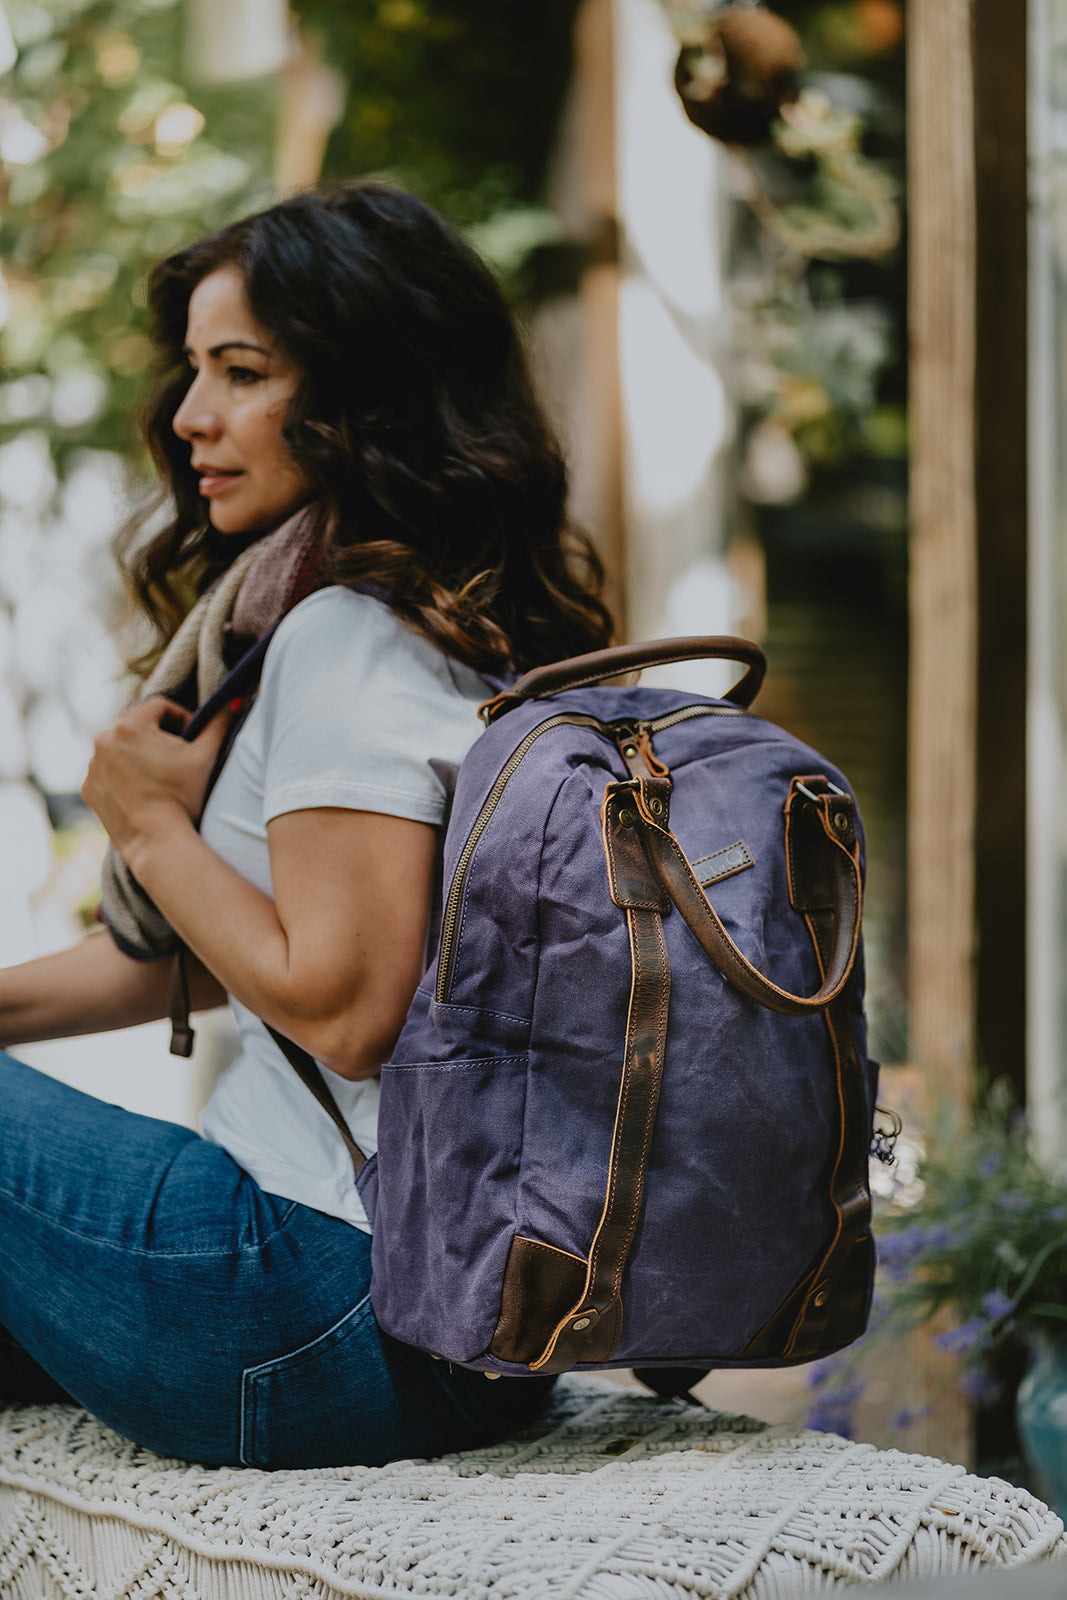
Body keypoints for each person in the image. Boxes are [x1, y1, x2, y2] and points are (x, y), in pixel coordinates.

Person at [0, 181, 613, 1469]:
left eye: (241, 372)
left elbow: (342, 1005)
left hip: (307, 1297)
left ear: (362, 394)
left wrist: (149, 826)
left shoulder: (350, 634)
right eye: (191, 370)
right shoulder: (456, 624)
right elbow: (225, 954)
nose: (189, 417)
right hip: (425, 1322)